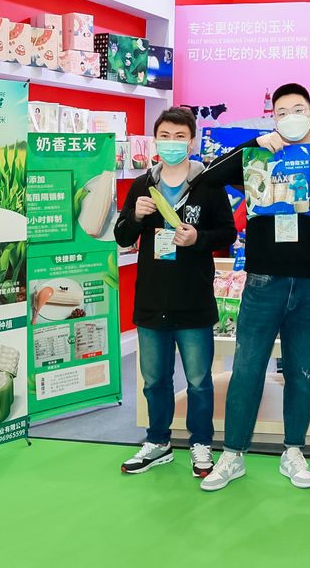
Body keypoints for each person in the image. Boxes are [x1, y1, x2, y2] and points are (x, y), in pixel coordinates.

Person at [198, 83, 310, 492]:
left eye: (298, 109)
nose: (291, 117)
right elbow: (209, 178)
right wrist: (252, 145)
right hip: (264, 281)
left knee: (303, 370)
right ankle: (233, 453)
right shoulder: (257, 156)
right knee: (247, 368)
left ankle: (294, 450)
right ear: (273, 119)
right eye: (282, 112)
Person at [116, 107, 237, 478]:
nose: (172, 143)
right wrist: (135, 216)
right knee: (154, 380)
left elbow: (228, 233)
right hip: (151, 301)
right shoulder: (142, 185)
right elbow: (122, 235)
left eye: (179, 137)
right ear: (156, 140)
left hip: (193, 301)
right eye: (165, 136)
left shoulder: (208, 185)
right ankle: (158, 441)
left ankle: (201, 443)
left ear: (192, 141)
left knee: (199, 382)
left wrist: (198, 238)